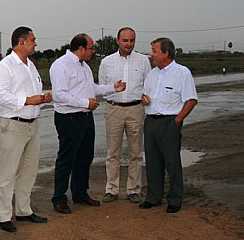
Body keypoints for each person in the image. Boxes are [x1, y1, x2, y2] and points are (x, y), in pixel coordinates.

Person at [50, 33, 126, 214]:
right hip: (69, 118)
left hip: (85, 117)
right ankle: (59, 198)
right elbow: (59, 94)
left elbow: (92, 89)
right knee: (66, 159)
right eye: (91, 48)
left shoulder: (84, 67)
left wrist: (113, 88)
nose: (93, 51)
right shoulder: (61, 65)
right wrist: (86, 103)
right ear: (81, 48)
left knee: (85, 158)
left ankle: (80, 193)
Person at [0, 26, 52, 233]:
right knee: (8, 172)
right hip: (13, 125)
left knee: (28, 171)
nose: (36, 43)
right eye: (33, 40)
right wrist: (27, 100)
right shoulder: (6, 66)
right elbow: (1, 96)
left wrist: (43, 99)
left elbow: (32, 94)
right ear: (21, 42)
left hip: (31, 124)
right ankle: (3, 215)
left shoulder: (30, 66)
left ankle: (24, 210)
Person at [139, 37, 197, 213]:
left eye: (155, 51)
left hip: (169, 122)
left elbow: (191, 100)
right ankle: (154, 197)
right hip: (150, 121)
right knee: (152, 161)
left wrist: (177, 120)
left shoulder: (182, 73)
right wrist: (144, 99)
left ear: (166, 53)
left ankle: (175, 199)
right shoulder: (152, 73)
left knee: (172, 162)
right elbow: (145, 95)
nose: (151, 55)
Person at [98, 27, 151, 203]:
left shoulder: (143, 61)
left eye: (132, 40)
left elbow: (148, 85)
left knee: (136, 152)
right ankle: (111, 189)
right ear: (118, 41)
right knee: (113, 152)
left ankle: (134, 190)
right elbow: (102, 87)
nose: (129, 44)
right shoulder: (107, 62)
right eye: (125, 40)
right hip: (114, 109)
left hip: (136, 110)